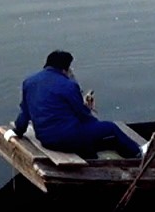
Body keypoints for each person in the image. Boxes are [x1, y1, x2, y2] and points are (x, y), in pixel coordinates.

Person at [13, 50, 143, 158]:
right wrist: (93, 119)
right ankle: (138, 153)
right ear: (65, 69)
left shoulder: (29, 82)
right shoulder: (69, 85)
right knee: (111, 127)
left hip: (46, 140)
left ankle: (90, 154)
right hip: (67, 139)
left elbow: (24, 113)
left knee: (85, 134)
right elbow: (83, 115)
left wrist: (18, 131)